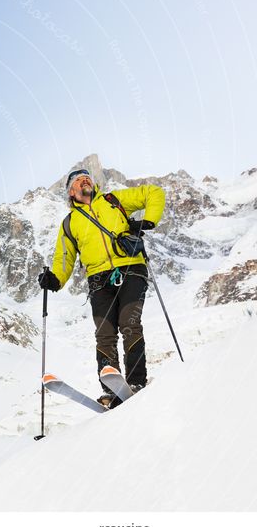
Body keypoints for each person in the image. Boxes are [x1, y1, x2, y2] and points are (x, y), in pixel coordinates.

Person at [37, 169, 166, 407]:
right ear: (71, 191)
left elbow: (154, 192)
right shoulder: (69, 224)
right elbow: (64, 259)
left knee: (129, 323)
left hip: (131, 270)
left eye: (87, 177)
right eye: (78, 180)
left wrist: (148, 220)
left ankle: (136, 382)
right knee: (104, 334)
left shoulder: (114, 201)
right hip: (98, 281)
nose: (85, 180)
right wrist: (54, 279)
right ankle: (111, 390)